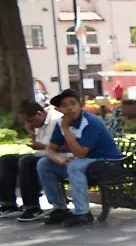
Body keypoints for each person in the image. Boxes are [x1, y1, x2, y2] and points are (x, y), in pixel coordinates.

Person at [35, 89, 122, 227]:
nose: (69, 108)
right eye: (64, 105)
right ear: (59, 109)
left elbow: (80, 153)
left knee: (75, 165)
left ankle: (83, 213)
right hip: (86, 163)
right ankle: (60, 209)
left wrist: (65, 129)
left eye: (73, 103)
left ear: (80, 105)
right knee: (44, 164)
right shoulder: (60, 123)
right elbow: (50, 148)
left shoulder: (90, 121)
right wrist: (60, 160)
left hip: (108, 163)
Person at [0, 100, 62, 221]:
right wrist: (32, 133)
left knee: (27, 161)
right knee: (6, 159)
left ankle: (32, 207)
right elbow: (38, 144)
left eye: (30, 120)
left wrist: (42, 146)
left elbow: (62, 146)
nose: (29, 123)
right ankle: (8, 204)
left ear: (39, 114)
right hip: (41, 154)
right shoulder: (38, 122)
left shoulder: (56, 120)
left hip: (57, 156)